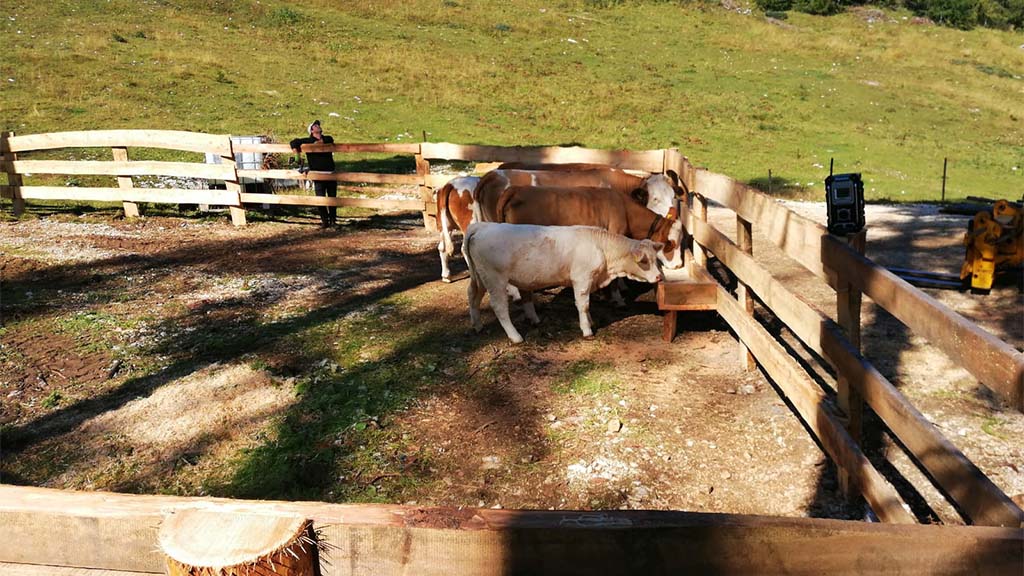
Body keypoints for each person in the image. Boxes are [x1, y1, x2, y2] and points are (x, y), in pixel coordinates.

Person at [290, 120, 337, 227]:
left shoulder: (327, 138)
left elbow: (330, 140)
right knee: (320, 199)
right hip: (317, 173)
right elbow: (294, 142)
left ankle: (333, 220)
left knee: (332, 198)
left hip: (330, 173)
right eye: (315, 125)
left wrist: (318, 144)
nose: (318, 126)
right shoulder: (308, 141)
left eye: (318, 125)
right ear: (311, 130)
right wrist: (296, 154)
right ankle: (325, 221)